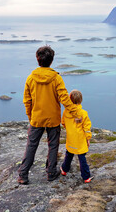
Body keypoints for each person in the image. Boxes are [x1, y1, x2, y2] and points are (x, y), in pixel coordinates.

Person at [18, 45, 81, 184]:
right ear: (51, 60)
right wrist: (77, 113)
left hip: (37, 118)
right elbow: (65, 99)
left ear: (37, 59)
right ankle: (51, 172)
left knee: (31, 146)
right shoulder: (56, 78)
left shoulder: (30, 78)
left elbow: (27, 101)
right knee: (53, 145)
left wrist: (31, 116)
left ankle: (23, 175)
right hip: (53, 119)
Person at [60, 89, 93, 183]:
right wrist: (88, 138)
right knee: (82, 158)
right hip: (80, 139)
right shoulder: (83, 113)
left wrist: (70, 129)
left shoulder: (66, 112)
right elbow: (86, 128)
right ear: (80, 100)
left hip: (71, 137)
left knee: (69, 154)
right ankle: (86, 177)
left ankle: (64, 170)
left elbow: (63, 123)